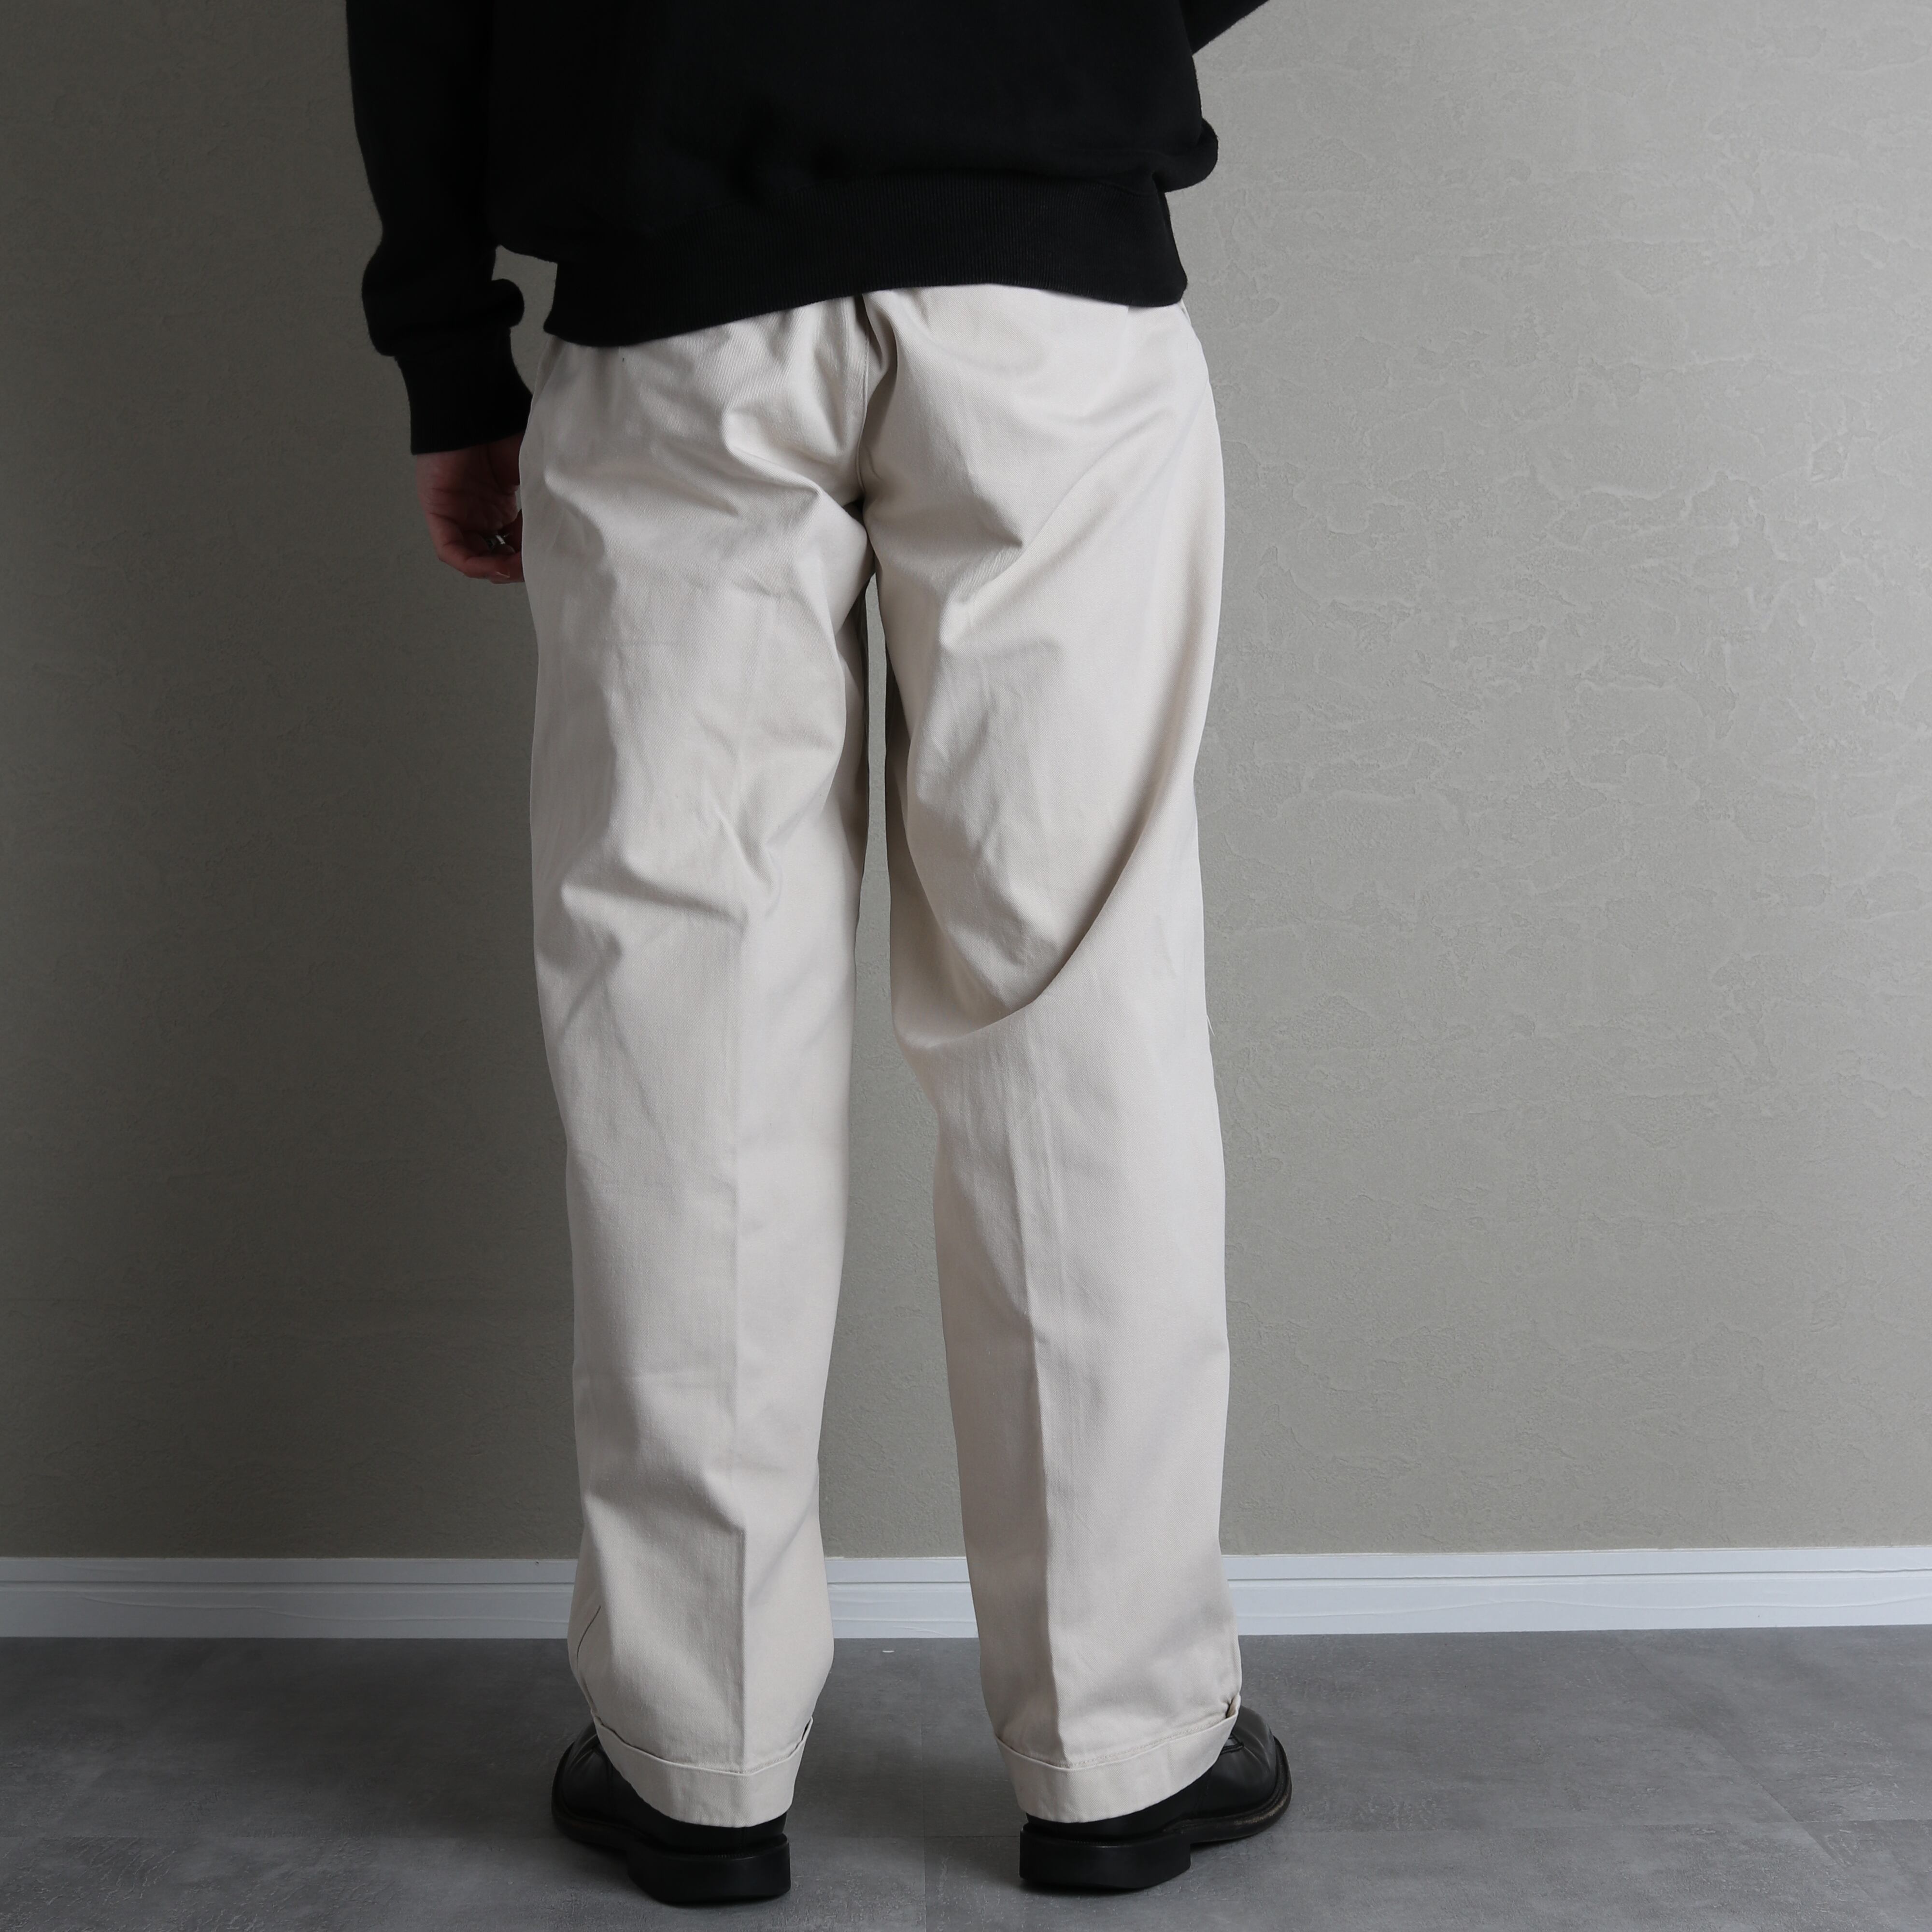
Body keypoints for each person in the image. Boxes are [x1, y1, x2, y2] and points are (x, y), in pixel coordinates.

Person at [346, 0, 1290, 1903]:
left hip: (674, 298)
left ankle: (694, 1754)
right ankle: (1118, 1748)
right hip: (1046, 303)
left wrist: (449, 348)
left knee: (682, 1028)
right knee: (1076, 1014)